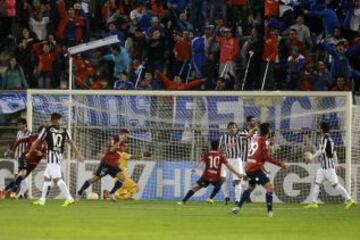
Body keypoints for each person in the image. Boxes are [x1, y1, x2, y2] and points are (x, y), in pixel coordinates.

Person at [232, 122, 288, 217]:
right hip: (254, 169)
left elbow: (259, 155)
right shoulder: (262, 140)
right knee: (270, 187)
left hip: (249, 168)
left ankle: (238, 207)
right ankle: (270, 212)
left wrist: (254, 130)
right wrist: (280, 164)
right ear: (267, 132)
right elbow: (266, 157)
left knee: (251, 187)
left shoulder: (255, 138)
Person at [29, 113, 84, 206]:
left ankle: (69, 198)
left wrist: (29, 152)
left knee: (57, 179)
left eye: (60, 119)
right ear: (54, 120)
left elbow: (37, 141)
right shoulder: (64, 131)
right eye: (59, 119)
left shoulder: (46, 129)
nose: (60, 121)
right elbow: (72, 143)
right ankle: (42, 200)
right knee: (46, 177)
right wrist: (78, 155)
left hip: (52, 156)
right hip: (57, 156)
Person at [304, 122, 356, 209]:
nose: (318, 129)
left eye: (319, 127)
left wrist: (311, 157)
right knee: (317, 183)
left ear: (322, 129)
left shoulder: (324, 139)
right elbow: (334, 153)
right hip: (323, 167)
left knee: (335, 185)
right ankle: (314, 202)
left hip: (328, 168)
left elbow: (322, 150)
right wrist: (337, 164)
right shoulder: (330, 140)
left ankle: (349, 200)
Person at [177, 140, 243, 205]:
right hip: (215, 176)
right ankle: (210, 198)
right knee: (220, 183)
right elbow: (229, 167)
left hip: (206, 175)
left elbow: (201, 162)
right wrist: (237, 173)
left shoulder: (207, 154)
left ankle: (183, 201)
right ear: (218, 147)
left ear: (211, 146)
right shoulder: (221, 155)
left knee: (195, 187)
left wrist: (195, 169)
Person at [77, 130, 129, 201]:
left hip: (113, 165)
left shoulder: (123, 145)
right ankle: (79, 192)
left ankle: (111, 193)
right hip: (106, 164)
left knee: (122, 178)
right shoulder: (113, 140)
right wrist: (119, 141)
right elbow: (111, 150)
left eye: (127, 136)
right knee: (93, 179)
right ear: (121, 135)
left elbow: (120, 154)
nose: (126, 137)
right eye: (125, 136)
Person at [0, 126, 46, 199]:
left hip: (33, 163)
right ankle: (14, 192)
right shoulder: (32, 137)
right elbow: (19, 141)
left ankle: (4, 190)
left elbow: (46, 153)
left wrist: (42, 154)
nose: (45, 134)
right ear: (40, 132)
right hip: (25, 158)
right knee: (22, 173)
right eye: (43, 133)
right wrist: (13, 149)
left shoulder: (45, 142)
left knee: (20, 178)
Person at [219, 121, 257, 205]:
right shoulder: (223, 137)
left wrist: (253, 131)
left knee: (238, 180)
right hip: (226, 160)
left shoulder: (239, 135)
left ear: (236, 129)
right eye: (230, 128)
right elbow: (220, 149)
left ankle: (237, 200)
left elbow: (248, 136)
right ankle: (226, 197)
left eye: (234, 127)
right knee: (222, 179)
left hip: (237, 160)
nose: (232, 129)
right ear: (228, 129)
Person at [0, 118, 32, 198]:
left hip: (24, 158)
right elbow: (15, 142)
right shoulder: (19, 133)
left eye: (20, 124)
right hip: (17, 158)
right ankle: (23, 193)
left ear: (25, 124)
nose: (18, 126)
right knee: (20, 177)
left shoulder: (29, 134)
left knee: (21, 176)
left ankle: (10, 191)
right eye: (18, 124)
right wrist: (9, 151)